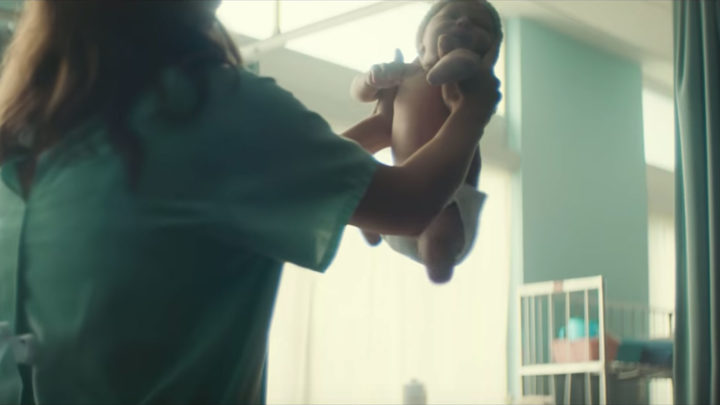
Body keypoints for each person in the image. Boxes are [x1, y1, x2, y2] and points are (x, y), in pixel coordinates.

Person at [0, 1, 499, 404]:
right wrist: (473, 109)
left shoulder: (34, 122)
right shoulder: (211, 108)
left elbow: (280, 172)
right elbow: (409, 205)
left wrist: (379, 128)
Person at [345, 0, 503, 283]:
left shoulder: (468, 80)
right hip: (397, 191)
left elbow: (463, 69)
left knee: (437, 248)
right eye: (451, 17)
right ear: (421, 38)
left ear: (492, 51)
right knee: (360, 182)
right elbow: (360, 92)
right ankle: (371, 228)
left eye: (480, 26)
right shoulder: (404, 74)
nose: (463, 23)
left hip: (449, 195)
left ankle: (438, 265)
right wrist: (372, 79)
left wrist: (463, 63)